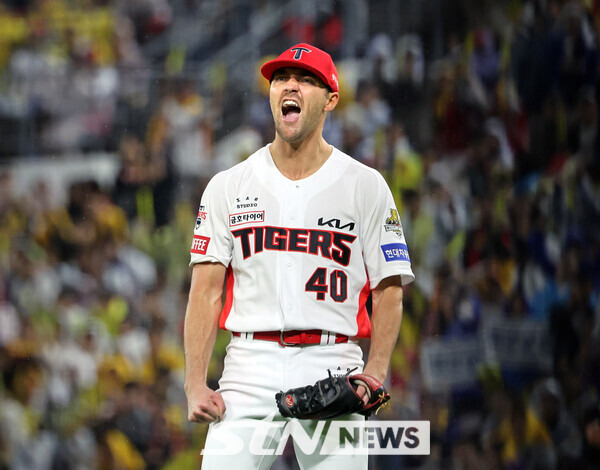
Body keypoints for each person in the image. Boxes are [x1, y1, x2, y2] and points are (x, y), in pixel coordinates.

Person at [183, 43, 415, 469]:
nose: (290, 85)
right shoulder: (227, 185)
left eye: (306, 79)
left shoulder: (365, 185)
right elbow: (205, 293)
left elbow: (389, 289)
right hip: (248, 366)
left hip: (333, 363)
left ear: (330, 99)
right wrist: (195, 382)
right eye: (281, 79)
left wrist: (376, 373)